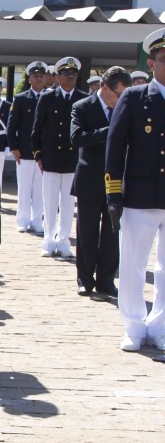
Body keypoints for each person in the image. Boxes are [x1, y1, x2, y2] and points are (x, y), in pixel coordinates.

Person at [105, 28, 165, 352]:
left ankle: (160, 326)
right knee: (132, 264)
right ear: (152, 63)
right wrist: (113, 194)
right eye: (164, 59)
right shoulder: (135, 97)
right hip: (141, 195)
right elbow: (115, 148)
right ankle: (133, 325)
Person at [71, 67, 132, 297]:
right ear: (105, 88)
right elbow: (77, 138)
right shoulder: (82, 107)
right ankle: (85, 279)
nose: (121, 99)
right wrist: (110, 130)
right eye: (119, 94)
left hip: (115, 180)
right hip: (89, 178)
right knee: (87, 231)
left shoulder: (126, 108)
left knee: (112, 232)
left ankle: (106, 280)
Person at [31, 56, 88, 258]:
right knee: (49, 202)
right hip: (51, 158)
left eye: (73, 74)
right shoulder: (47, 98)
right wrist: (38, 154)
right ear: (57, 77)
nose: (70, 77)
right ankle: (48, 241)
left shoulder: (83, 98)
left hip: (73, 159)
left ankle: (64, 242)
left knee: (68, 205)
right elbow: (37, 130)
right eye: (65, 73)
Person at [7, 61, 47, 233]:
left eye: (41, 76)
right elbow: (11, 126)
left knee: (40, 190)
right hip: (24, 151)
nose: (38, 79)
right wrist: (14, 147)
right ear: (29, 78)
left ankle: (37, 221)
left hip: (44, 152)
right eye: (35, 76)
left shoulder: (51, 97)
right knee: (24, 188)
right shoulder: (21, 99)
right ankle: (22, 220)